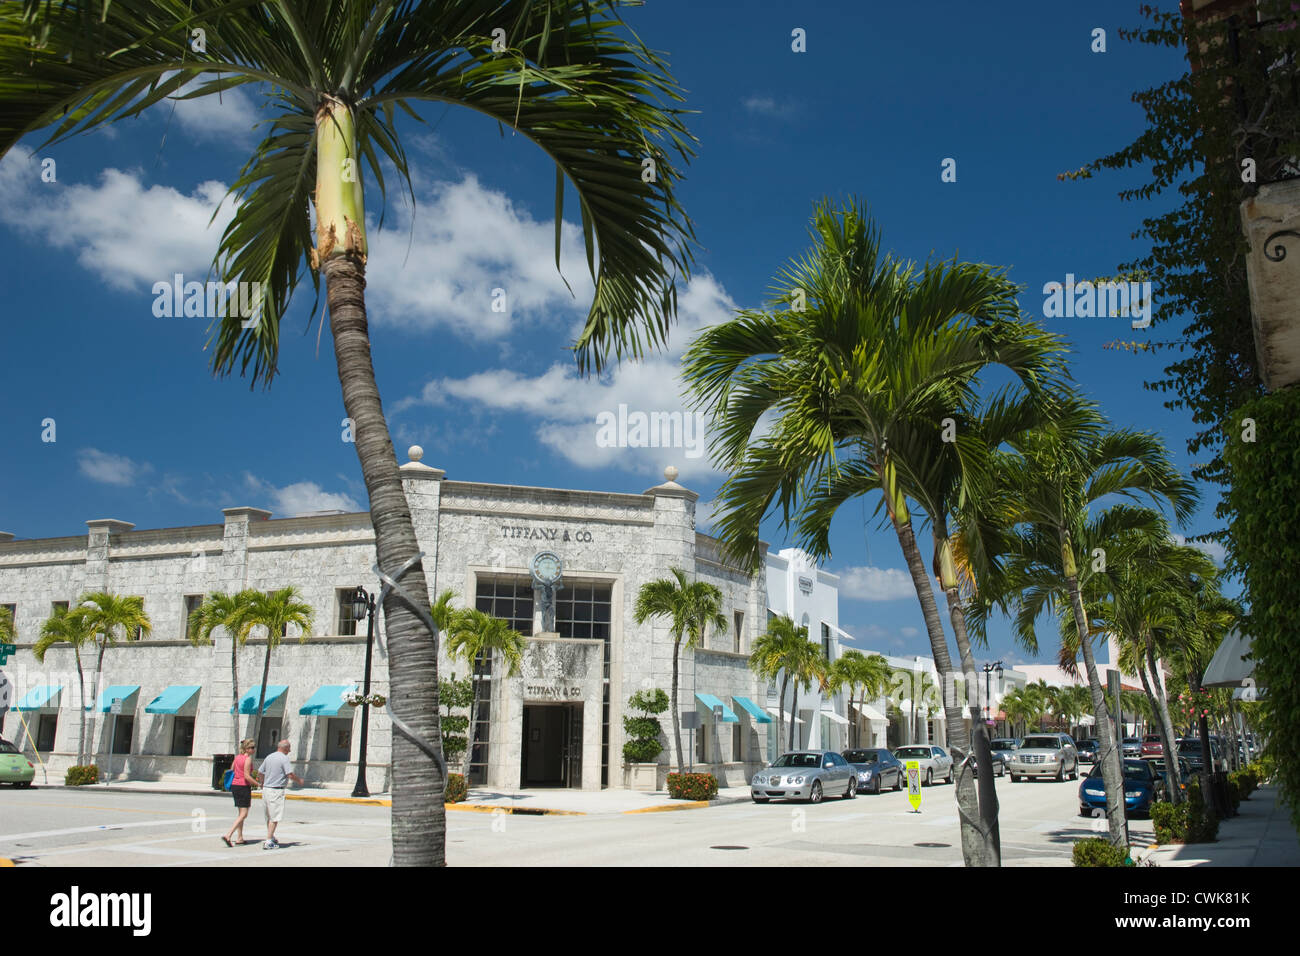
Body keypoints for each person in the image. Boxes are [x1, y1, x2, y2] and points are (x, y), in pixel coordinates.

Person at [258, 739, 305, 849]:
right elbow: (289, 774)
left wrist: (262, 783)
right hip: (276, 790)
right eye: (289, 748)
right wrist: (299, 780)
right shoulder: (284, 759)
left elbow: (260, 772)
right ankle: (268, 841)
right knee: (274, 817)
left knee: (268, 815)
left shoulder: (269, 756)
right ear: (284, 748)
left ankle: (271, 836)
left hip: (266, 789)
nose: (290, 750)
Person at [222, 739, 259, 847]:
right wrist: (257, 784)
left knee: (240, 813)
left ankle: (240, 837)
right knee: (244, 814)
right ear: (247, 748)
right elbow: (247, 776)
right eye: (251, 747)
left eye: (254, 747)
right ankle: (228, 835)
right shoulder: (247, 759)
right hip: (243, 786)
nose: (253, 749)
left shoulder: (237, 757)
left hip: (235, 785)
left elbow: (232, 769)